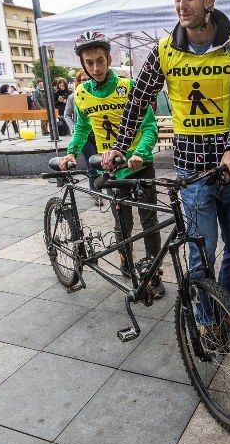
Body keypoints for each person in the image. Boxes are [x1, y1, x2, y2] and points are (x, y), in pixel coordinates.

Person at [102, 0, 230, 326]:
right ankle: (205, 320)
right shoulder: (164, 51)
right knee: (201, 254)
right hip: (191, 169)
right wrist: (121, 145)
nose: (181, 5)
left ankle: (229, 311)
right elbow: (138, 100)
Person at [59, 32, 163, 292]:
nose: (95, 68)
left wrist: (140, 151)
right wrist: (72, 151)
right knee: (122, 223)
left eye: (100, 61)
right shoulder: (81, 93)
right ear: (83, 64)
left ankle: (154, 272)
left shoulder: (129, 87)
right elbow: (83, 127)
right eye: (89, 63)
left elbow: (150, 126)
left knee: (149, 221)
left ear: (109, 59)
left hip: (139, 165)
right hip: (112, 169)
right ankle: (126, 261)